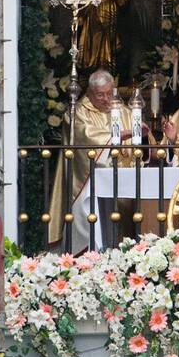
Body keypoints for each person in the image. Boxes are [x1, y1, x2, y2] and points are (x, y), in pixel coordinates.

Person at [47, 69, 135, 251]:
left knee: (125, 223)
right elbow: (84, 137)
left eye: (110, 93)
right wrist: (116, 137)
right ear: (89, 93)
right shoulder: (77, 112)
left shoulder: (125, 112)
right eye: (100, 95)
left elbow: (138, 146)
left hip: (122, 184)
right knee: (90, 217)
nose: (106, 99)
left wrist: (141, 136)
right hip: (88, 183)